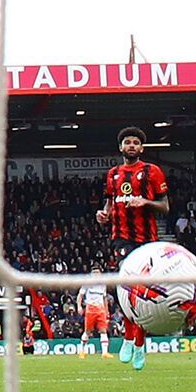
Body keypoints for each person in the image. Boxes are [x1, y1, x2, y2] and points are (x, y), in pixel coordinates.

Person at [96, 125, 169, 371]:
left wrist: (145, 201)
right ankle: (130, 339)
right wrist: (103, 214)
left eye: (136, 143)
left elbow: (165, 207)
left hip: (148, 241)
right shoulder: (113, 174)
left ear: (142, 148)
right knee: (128, 289)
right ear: (121, 147)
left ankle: (138, 343)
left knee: (141, 294)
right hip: (122, 237)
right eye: (127, 142)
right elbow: (109, 203)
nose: (131, 146)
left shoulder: (152, 171)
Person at [77, 277, 112, 356]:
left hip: (101, 310)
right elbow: (80, 296)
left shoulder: (103, 285)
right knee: (88, 331)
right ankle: (82, 351)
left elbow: (104, 299)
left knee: (103, 330)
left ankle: (105, 353)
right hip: (90, 309)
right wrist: (79, 306)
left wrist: (107, 311)